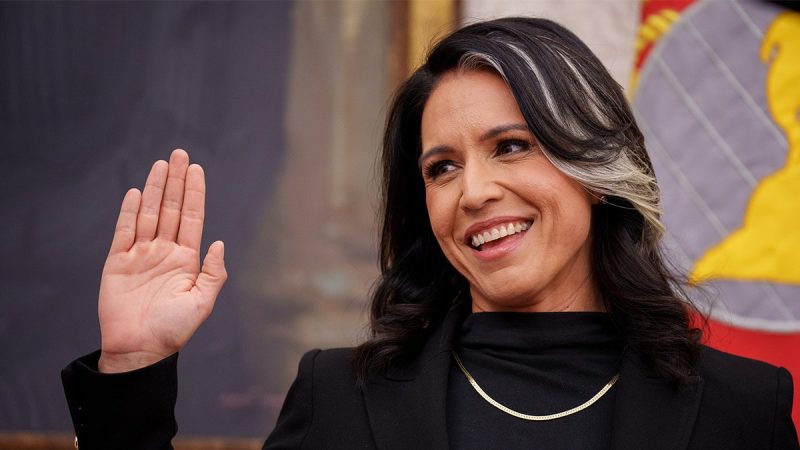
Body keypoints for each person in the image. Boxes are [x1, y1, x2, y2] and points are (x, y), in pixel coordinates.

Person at [62, 17, 798, 449]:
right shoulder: (339, 400)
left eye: (512, 146)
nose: (473, 192)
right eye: (441, 167)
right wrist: (135, 367)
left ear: (596, 168)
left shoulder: (742, 409)